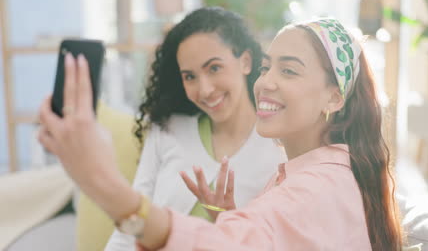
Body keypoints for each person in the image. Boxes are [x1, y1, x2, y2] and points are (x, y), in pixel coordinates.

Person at [38, 17, 403, 250]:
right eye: (267, 67)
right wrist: (230, 218)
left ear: (334, 96)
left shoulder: (316, 188)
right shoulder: (315, 172)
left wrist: (100, 182)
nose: (266, 82)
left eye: (289, 71)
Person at [113, 7, 287, 250]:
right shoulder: (168, 129)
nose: (204, 90)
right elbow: (130, 220)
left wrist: (231, 224)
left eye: (214, 68)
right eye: (190, 76)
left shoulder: (280, 149)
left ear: (245, 61)